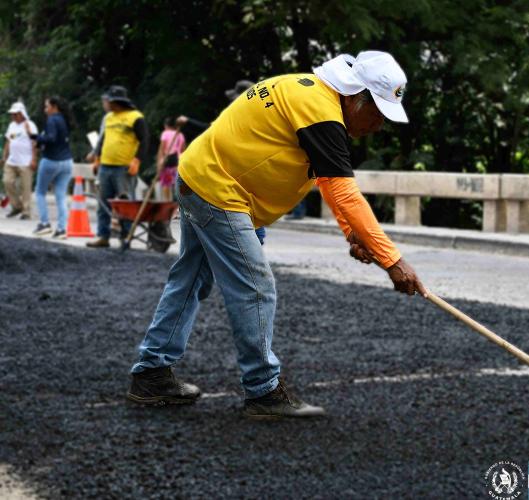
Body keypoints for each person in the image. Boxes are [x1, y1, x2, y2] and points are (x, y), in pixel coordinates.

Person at [127, 51, 426, 420]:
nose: (378, 125)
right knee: (255, 287)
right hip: (220, 191)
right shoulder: (320, 110)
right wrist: (392, 260)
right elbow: (344, 190)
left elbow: (329, 182)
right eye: (377, 112)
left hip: (204, 178)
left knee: (190, 280)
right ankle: (263, 391)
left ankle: (151, 373)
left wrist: (354, 234)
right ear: (355, 95)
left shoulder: (314, 97)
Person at [175, 79, 268, 244]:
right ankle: (253, 245)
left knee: (243, 208)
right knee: (248, 208)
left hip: (241, 170)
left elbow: (211, 131)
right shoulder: (261, 114)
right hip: (251, 170)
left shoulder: (241, 116)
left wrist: (188, 122)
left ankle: (251, 247)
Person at [86, 86, 149, 248]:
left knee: (125, 205)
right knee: (103, 204)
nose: (106, 103)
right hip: (106, 167)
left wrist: (137, 161)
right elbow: (102, 140)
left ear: (116, 101)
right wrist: (97, 159)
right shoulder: (109, 118)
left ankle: (126, 237)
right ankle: (103, 236)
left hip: (124, 169)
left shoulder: (135, 117)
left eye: (108, 100)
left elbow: (144, 141)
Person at [33, 97, 73, 238]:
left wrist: (36, 137)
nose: (45, 110)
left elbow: (51, 138)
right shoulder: (65, 119)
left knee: (40, 192)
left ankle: (45, 223)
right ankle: (62, 229)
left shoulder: (52, 120)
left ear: (54, 106)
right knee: (61, 196)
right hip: (67, 162)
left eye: (46, 106)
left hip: (51, 160)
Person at [3, 102, 38, 220]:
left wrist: (34, 159)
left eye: (16, 114)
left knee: (25, 187)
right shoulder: (11, 125)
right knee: (7, 182)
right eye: (12, 114)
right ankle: (17, 206)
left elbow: (34, 143)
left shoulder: (30, 125)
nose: (13, 116)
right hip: (12, 160)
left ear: (22, 114)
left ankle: (26, 211)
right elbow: (9, 141)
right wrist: (4, 157)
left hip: (25, 161)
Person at [155, 117, 185, 201]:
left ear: (166, 125)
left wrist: (159, 164)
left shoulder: (165, 133)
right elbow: (183, 150)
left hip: (167, 161)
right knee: (178, 185)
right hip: (178, 162)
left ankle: (168, 202)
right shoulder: (180, 134)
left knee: (166, 184)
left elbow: (161, 149)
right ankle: (179, 205)